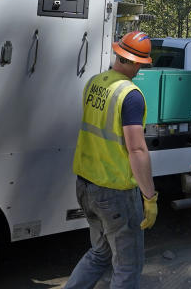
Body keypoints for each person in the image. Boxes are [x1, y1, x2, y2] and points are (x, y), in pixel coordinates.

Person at [65, 31, 158, 289]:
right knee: (128, 265)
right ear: (138, 63)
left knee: (101, 253)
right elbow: (137, 149)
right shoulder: (131, 95)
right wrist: (149, 197)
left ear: (119, 53)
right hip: (114, 192)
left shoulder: (95, 82)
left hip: (85, 186)